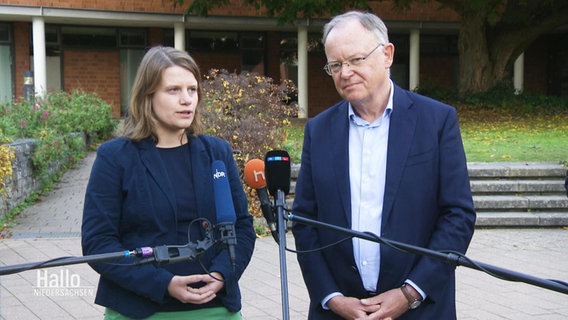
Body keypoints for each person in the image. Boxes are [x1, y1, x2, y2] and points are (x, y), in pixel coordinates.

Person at [292, 11, 476, 320]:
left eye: (356, 59)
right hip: (339, 311)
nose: (345, 72)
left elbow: (458, 215)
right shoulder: (318, 131)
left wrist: (410, 292)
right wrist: (332, 297)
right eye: (335, 65)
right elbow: (305, 220)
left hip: (420, 309)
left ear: (387, 54)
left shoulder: (436, 121)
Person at [81, 46, 256, 320]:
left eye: (192, 90)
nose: (186, 99)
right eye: (173, 90)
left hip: (216, 306)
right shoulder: (115, 158)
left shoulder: (217, 153)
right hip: (139, 308)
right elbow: (98, 244)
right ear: (148, 96)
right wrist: (163, 284)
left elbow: (242, 227)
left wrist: (223, 273)